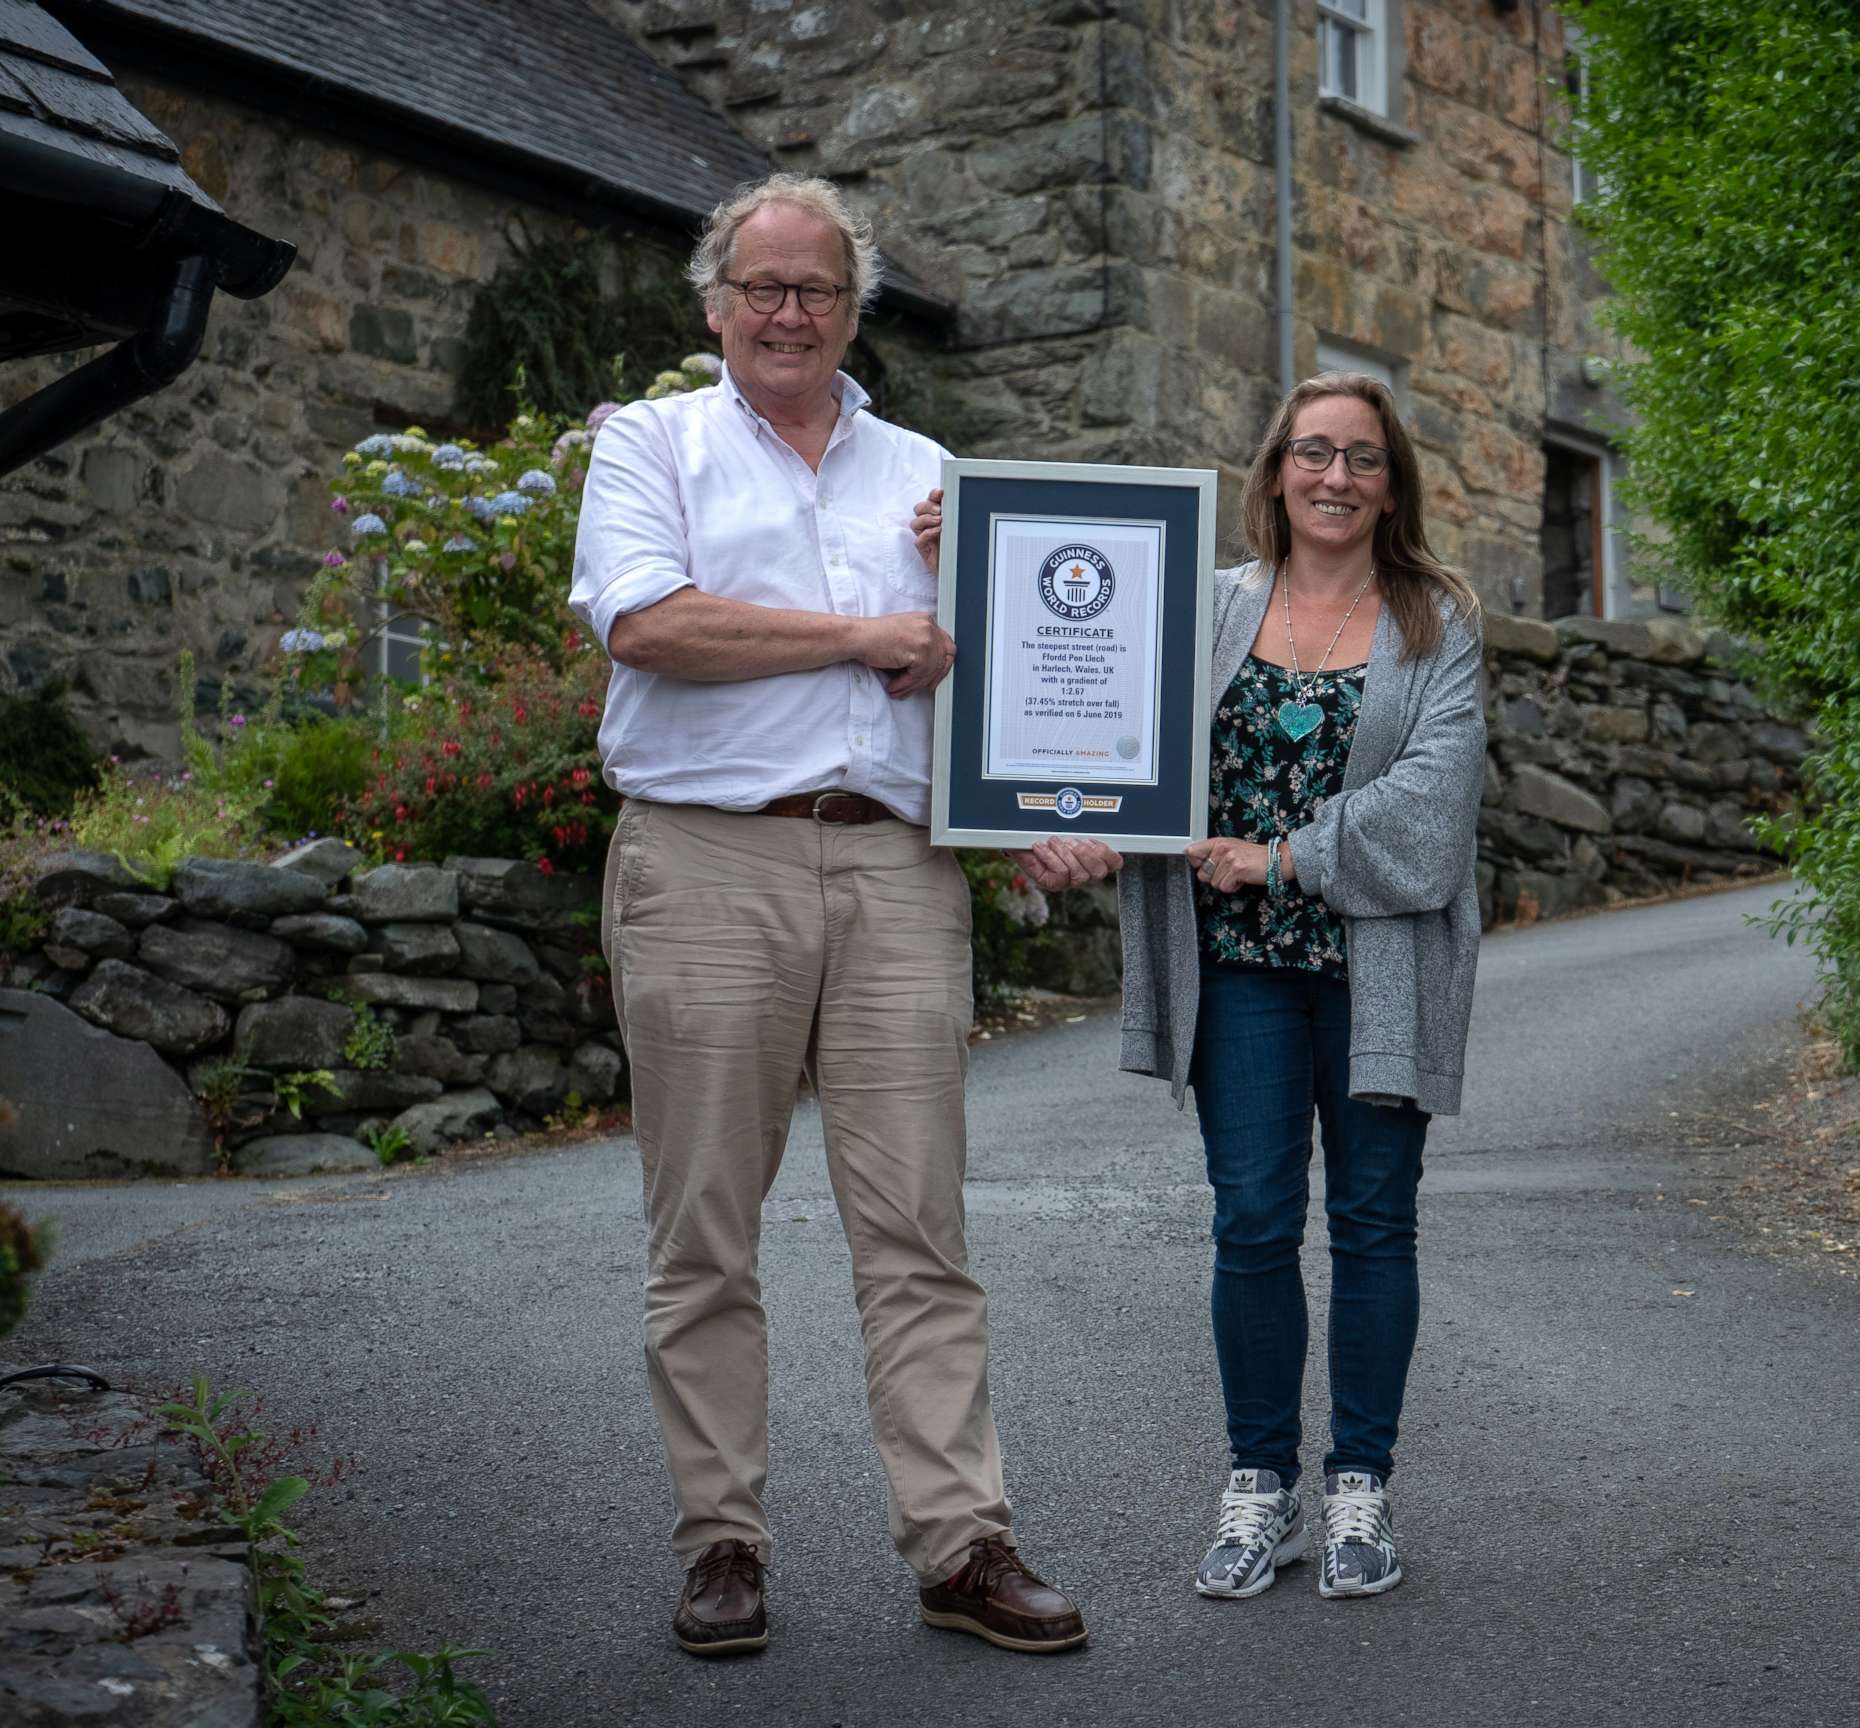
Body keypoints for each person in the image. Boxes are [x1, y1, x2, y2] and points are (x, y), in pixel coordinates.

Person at [570, 172, 1097, 1659]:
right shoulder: (651, 447)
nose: (787, 312)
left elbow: (1004, 663)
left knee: (918, 1227)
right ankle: (721, 1543)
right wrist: (871, 633)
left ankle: (960, 1543)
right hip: (703, 862)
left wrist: (1047, 804)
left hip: (895, 871)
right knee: (703, 1234)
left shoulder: (928, 470)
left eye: (816, 290)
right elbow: (649, 625)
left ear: (855, 310)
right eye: (762, 287)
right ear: (716, 301)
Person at [916, 373, 1485, 1600]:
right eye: (1314, 453)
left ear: (1395, 486)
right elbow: (1117, 742)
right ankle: (1259, 1489)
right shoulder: (1202, 605)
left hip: (1379, 970)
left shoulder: (1437, 620)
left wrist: (1282, 856)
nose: (1337, 477)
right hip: (1240, 975)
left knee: (1377, 1227)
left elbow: (1434, 813)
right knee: (1253, 1225)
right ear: (1275, 469)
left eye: (1364, 460)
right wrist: (1066, 818)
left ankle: (1359, 1494)